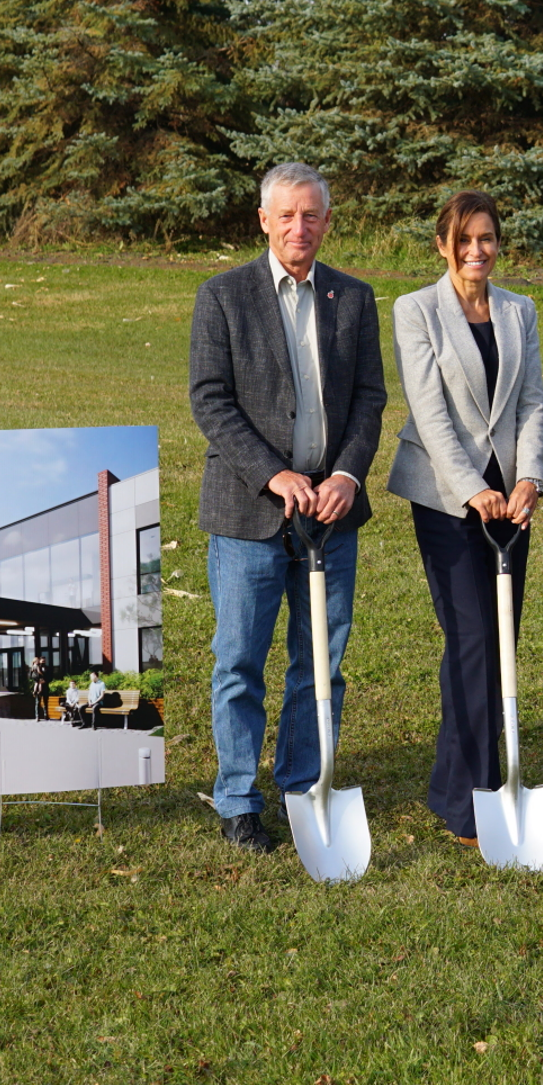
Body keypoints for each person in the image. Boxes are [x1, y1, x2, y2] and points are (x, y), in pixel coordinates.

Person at [189, 162, 388, 853]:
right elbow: (210, 399)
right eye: (287, 215)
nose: (299, 227)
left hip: (331, 514)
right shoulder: (222, 297)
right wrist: (274, 473)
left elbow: (369, 400)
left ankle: (304, 784)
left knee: (320, 661)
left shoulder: (354, 299)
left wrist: (347, 475)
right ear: (264, 220)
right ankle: (239, 799)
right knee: (239, 659)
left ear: (327, 222)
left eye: (312, 215)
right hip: (249, 512)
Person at [386, 190, 543, 848]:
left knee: (495, 643)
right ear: (442, 244)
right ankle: (474, 800)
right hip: (446, 498)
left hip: (513, 501)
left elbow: (533, 399)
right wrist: (470, 489)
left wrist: (529, 475)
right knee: (475, 637)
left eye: (487, 238)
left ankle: (454, 784)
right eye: (465, 239)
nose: (478, 250)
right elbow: (429, 411)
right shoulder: (415, 310)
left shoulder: (519, 310)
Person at [30, 655, 49, 719]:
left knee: (46, 702)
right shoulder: (36, 667)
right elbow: (32, 676)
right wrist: (38, 680)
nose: (43, 661)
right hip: (38, 687)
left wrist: (45, 681)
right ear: (39, 661)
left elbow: (50, 676)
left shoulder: (47, 668)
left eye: (44, 660)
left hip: (45, 687)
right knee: (38, 702)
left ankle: (46, 715)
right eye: (42, 660)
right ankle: (37, 716)